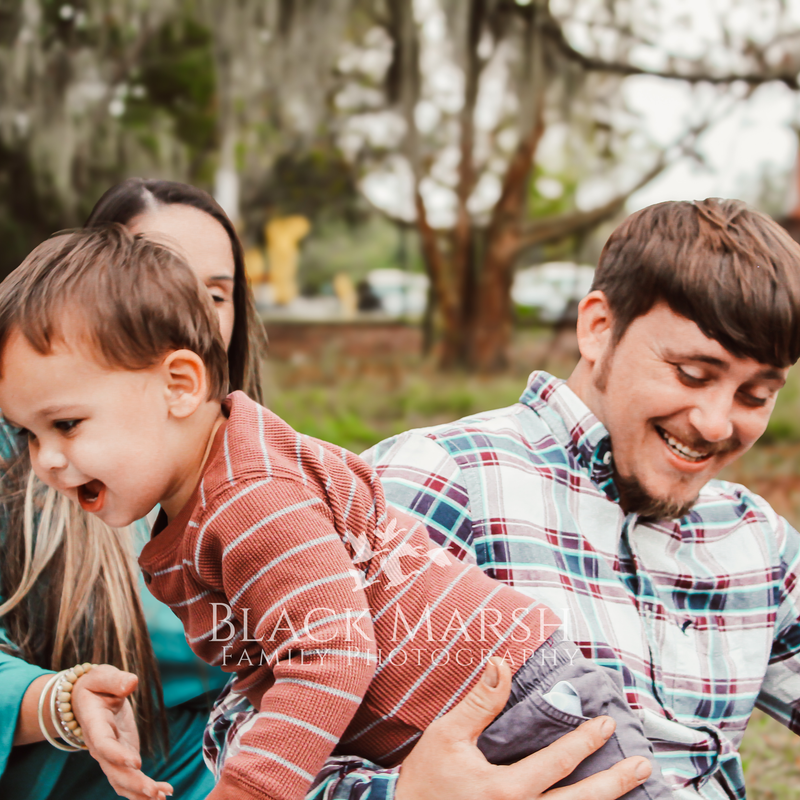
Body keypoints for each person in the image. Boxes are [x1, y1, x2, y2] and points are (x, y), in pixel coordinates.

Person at [0, 180, 651, 800]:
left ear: (180, 381)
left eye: (213, 293)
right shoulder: (206, 480)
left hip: (514, 710)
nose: (46, 459)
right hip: (430, 729)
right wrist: (54, 703)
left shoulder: (251, 497)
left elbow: (329, 656)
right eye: (29, 433)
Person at [359, 198, 800, 800]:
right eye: (693, 375)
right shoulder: (440, 482)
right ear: (598, 328)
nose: (718, 423)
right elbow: (243, 738)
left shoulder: (755, 536)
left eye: (754, 395)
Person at [0, 178, 264, 800]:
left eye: (216, 293)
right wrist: (54, 702)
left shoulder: (267, 472)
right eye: (160, 276)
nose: (193, 312)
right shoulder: (26, 465)